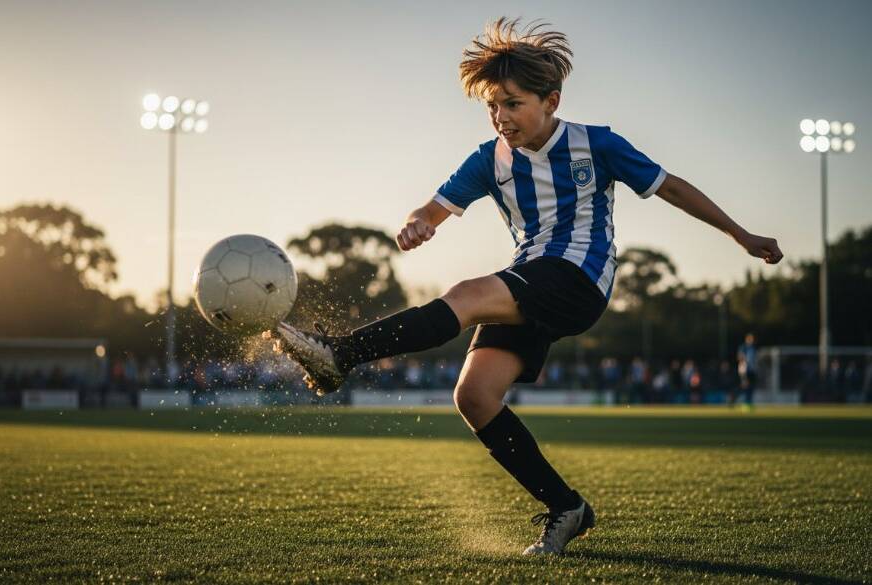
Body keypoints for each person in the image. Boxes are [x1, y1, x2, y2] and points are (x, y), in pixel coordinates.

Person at [264, 18, 783, 555]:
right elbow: (436, 206)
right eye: (493, 105)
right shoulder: (490, 159)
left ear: (550, 101)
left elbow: (670, 186)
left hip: (580, 277)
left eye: (513, 103)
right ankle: (567, 508)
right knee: (475, 396)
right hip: (530, 276)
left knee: (466, 294)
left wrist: (740, 234)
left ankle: (340, 355)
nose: (500, 117)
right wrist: (418, 222)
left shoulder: (595, 145)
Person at [737, 333, 758, 409]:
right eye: (750, 339)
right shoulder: (743, 347)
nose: (752, 340)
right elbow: (740, 357)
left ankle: (749, 403)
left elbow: (755, 360)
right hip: (744, 370)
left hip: (752, 370)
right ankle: (744, 404)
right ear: (747, 339)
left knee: (751, 387)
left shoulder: (754, 348)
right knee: (745, 386)